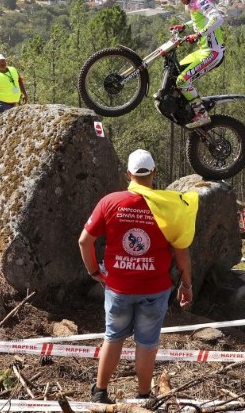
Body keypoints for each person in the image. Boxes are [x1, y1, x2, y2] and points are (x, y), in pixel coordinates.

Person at [79, 149, 195, 403]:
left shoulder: (110, 202)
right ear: (154, 172)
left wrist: (95, 273)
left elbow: (84, 241)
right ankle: (143, 396)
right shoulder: (169, 206)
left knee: (113, 337)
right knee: (147, 343)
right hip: (155, 289)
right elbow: (182, 253)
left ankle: (100, 393)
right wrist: (186, 284)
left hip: (118, 287)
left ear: (128, 174)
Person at [164, 0, 226, 129]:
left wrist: (198, 34)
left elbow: (217, 18)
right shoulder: (193, 2)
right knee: (175, 72)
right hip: (202, 51)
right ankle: (187, 107)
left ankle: (202, 114)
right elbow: (199, 19)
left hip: (213, 52)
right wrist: (185, 25)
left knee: (182, 80)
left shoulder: (200, 1)